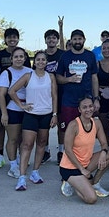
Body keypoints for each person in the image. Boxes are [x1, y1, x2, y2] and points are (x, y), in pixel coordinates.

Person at [8, 50, 58, 191]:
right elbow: (12, 91)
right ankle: (22, 177)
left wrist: (55, 114)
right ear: (34, 62)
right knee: (27, 145)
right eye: (38, 59)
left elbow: (54, 96)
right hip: (31, 115)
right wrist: (21, 105)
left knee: (41, 143)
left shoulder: (51, 77)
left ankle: (35, 172)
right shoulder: (28, 76)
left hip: (46, 114)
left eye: (43, 60)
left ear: (46, 62)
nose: (41, 62)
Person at [59, 95, 109, 204]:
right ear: (79, 110)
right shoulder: (73, 125)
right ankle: (72, 182)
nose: (88, 109)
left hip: (87, 163)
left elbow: (104, 143)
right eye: (84, 107)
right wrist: (81, 169)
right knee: (91, 198)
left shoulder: (96, 123)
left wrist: (103, 152)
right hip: (70, 167)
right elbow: (68, 150)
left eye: (90, 106)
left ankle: (94, 183)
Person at [56, 29, 101, 164]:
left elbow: (94, 78)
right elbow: (58, 77)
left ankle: (84, 158)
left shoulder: (90, 55)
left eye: (79, 39)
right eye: (75, 39)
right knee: (67, 130)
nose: (77, 41)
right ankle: (66, 157)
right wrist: (68, 79)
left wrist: (96, 98)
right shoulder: (65, 56)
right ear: (71, 41)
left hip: (86, 100)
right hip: (69, 100)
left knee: (87, 130)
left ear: (84, 40)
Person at [0, 28, 31, 169]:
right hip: (5, 95)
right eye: (9, 37)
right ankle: (0, 154)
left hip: (22, 102)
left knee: (20, 132)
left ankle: (19, 156)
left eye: (14, 37)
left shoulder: (26, 64)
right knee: (2, 124)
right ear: (5, 39)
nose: (12, 39)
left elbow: (28, 79)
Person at [0, 47, 33, 179]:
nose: (19, 59)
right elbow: (1, 95)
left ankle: (20, 160)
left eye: (21, 56)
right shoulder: (6, 73)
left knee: (24, 139)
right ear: (11, 59)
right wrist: (4, 113)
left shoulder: (30, 72)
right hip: (13, 109)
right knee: (13, 138)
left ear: (25, 58)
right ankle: (12, 166)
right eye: (16, 57)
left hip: (28, 109)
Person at [42, 28, 65, 163]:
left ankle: (61, 151)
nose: (51, 40)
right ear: (45, 40)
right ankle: (45, 151)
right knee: (44, 126)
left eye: (54, 38)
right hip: (44, 95)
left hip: (62, 93)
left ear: (57, 40)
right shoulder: (41, 56)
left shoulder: (63, 55)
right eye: (49, 38)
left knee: (61, 125)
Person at [97, 38, 109, 141]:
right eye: (104, 48)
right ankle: (106, 149)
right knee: (105, 127)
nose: (106, 50)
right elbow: (94, 81)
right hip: (102, 97)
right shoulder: (97, 64)